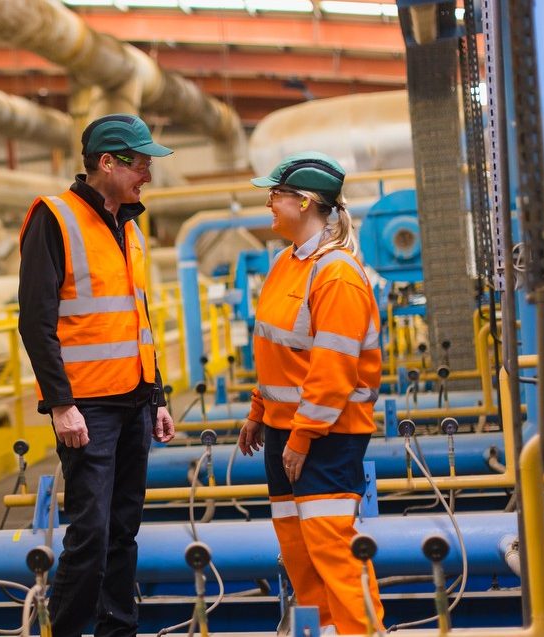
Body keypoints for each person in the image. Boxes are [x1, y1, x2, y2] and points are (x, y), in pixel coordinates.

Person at [17, 113, 176, 637]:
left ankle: (117, 631)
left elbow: (138, 316)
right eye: (141, 164)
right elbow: (35, 321)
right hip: (87, 408)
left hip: (134, 399)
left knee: (123, 531)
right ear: (106, 163)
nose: (147, 175)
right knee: (90, 533)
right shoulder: (54, 218)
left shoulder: (129, 225)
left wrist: (159, 397)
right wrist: (60, 406)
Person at [236, 151, 385, 635]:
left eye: (274, 196)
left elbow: (334, 369)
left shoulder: (337, 274)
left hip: (327, 436)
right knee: (299, 553)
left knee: (334, 551)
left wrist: (302, 438)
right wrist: (259, 411)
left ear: (303, 202)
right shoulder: (286, 263)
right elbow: (278, 350)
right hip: (284, 432)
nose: (269, 205)